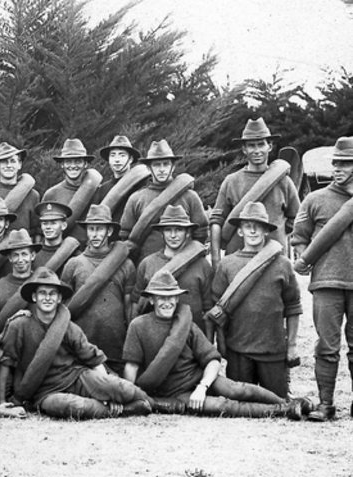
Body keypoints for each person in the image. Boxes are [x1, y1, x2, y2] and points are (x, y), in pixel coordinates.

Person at [123, 269, 309, 419]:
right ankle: (283, 411)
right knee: (222, 405)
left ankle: (287, 403)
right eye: (161, 297)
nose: (167, 302)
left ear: (177, 298)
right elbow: (131, 366)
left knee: (239, 389)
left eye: (171, 297)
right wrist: (129, 397)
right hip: (175, 393)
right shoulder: (138, 326)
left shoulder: (186, 325)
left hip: (200, 380)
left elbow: (212, 360)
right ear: (151, 299)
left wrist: (203, 386)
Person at [0, 267, 154, 419]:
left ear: (59, 298)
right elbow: (5, 362)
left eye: (52, 294)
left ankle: (154, 405)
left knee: (120, 387)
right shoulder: (20, 325)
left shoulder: (67, 326)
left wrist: (107, 389)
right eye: (42, 293)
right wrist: (2, 401)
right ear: (34, 297)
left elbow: (93, 358)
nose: (47, 298)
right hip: (44, 391)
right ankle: (124, 410)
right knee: (74, 406)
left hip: (74, 376)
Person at [209, 202, 301, 399]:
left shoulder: (283, 265)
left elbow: (293, 307)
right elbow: (217, 310)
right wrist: (222, 346)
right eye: (247, 225)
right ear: (240, 231)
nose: (252, 230)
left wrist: (291, 345)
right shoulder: (227, 264)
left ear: (266, 230)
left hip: (273, 350)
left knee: (276, 402)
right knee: (239, 403)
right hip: (239, 350)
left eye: (258, 225)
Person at [292, 136, 353, 421]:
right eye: (337, 162)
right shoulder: (315, 199)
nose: (339, 168)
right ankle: (325, 403)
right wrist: (304, 260)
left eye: (347, 163)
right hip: (326, 283)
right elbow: (299, 238)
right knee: (326, 347)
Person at [209, 118, 300, 269]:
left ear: (269, 146)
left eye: (261, 144)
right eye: (251, 146)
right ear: (244, 149)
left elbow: (296, 218)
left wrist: (277, 232)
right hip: (237, 261)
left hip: (274, 261)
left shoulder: (284, 182)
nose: (257, 150)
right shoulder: (232, 181)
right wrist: (216, 260)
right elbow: (217, 221)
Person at [61, 204, 135, 375]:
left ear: (109, 231)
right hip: (84, 348)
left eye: (100, 229)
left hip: (116, 346)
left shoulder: (126, 264)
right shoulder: (73, 264)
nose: (94, 234)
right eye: (91, 229)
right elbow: (64, 307)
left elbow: (129, 308)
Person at [120, 140, 208, 262]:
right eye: (156, 165)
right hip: (147, 267)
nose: (162, 169)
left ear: (173, 167)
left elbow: (201, 233)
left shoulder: (189, 197)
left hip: (182, 265)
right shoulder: (136, 198)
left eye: (166, 164)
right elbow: (126, 236)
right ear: (149, 168)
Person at [131, 205, 213, 331]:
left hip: (193, 336)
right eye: (168, 230)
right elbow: (137, 304)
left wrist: (207, 341)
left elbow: (208, 309)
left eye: (179, 230)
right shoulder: (147, 264)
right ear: (161, 233)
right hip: (155, 336)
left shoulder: (202, 265)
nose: (173, 235)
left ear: (188, 233)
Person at [42, 138, 98, 244]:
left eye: (78, 161)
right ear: (62, 164)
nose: (73, 166)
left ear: (85, 164)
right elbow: (43, 230)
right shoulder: (51, 194)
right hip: (62, 253)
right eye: (68, 161)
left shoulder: (96, 191)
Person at [0, 229, 40, 324]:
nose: (20, 260)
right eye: (16, 255)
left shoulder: (41, 283)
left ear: (33, 255)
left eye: (24, 254)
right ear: (10, 258)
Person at [94, 135, 146, 223]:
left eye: (122, 155)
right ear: (109, 159)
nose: (117, 160)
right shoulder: (103, 189)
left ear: (130, 159)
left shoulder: (142, 184)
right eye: (113, 155)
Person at [32, 201, 75, 274]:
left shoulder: (73, 254)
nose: (48, 227)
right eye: (45, 223)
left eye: (53, 223)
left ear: (64, 225)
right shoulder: (33, 254)